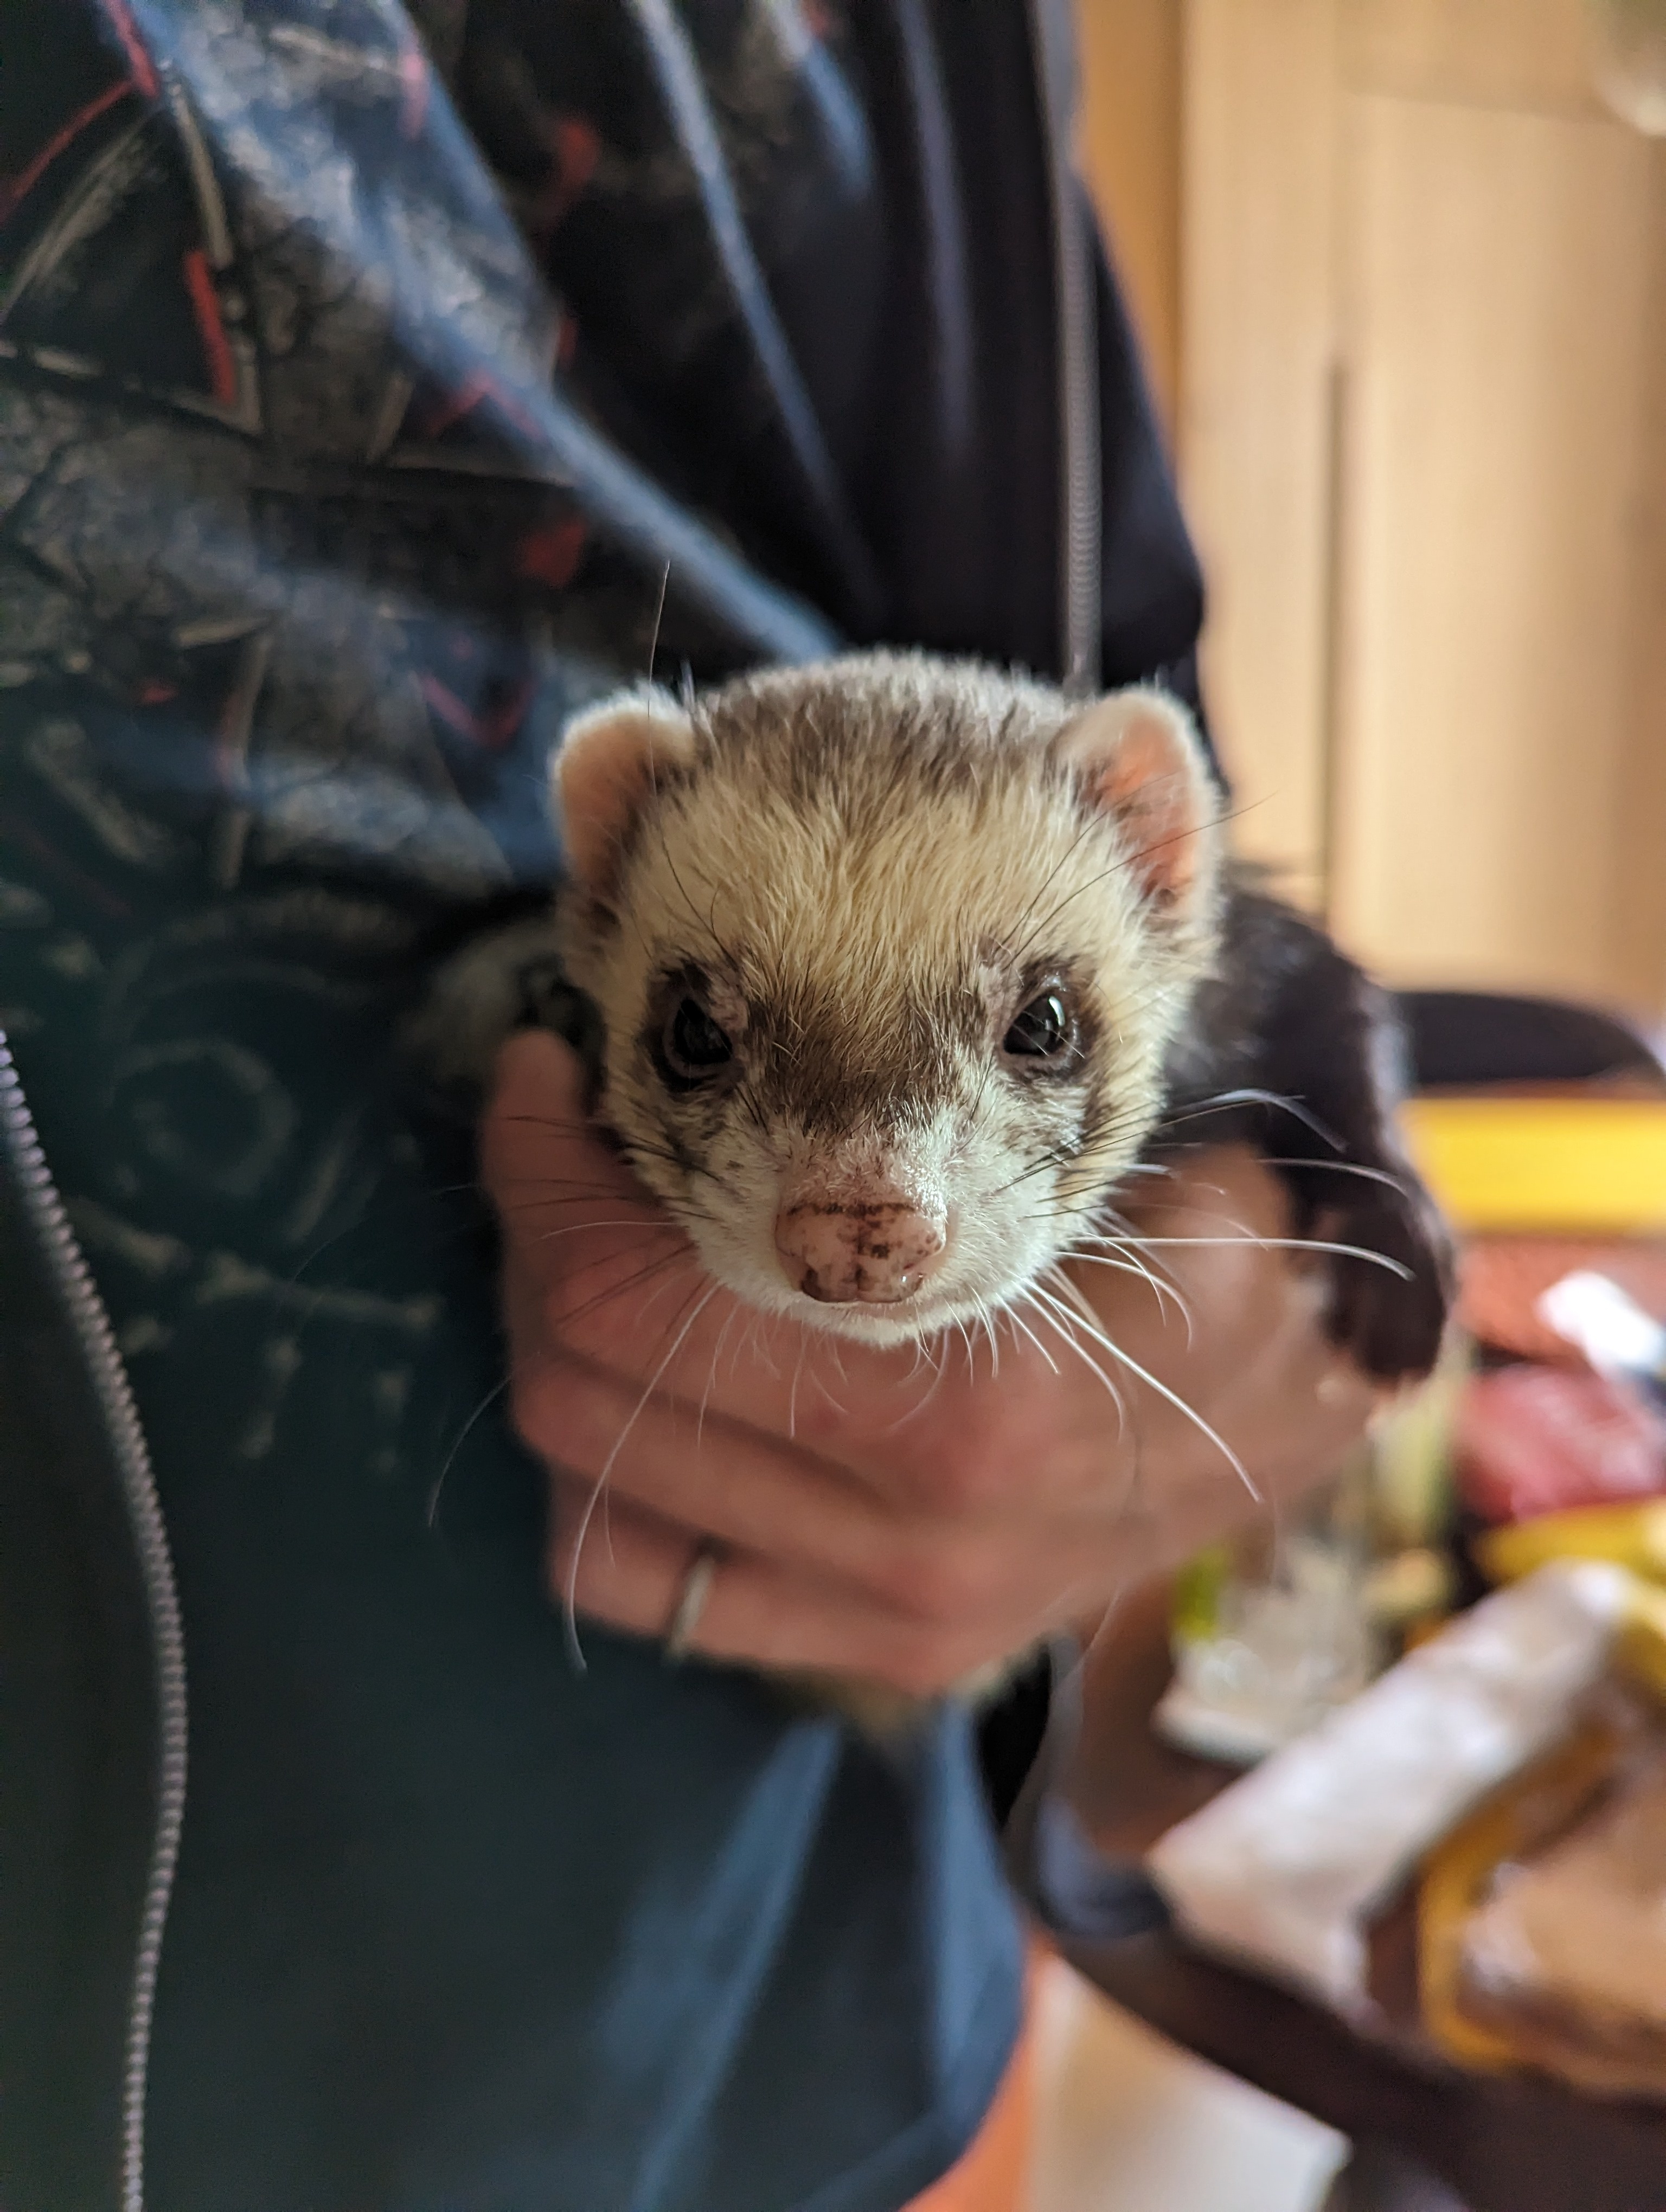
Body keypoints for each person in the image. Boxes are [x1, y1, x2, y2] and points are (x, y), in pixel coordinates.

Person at [0, 3, 1377, 2205]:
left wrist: (1301, 1243)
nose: (871, 1196)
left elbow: (1135, 695)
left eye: (1033, 1034)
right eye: (714, 1044)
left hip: (861, 1989)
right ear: (611, 884)